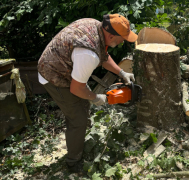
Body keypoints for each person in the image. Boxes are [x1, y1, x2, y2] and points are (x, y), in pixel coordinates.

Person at [37, 14, 138, 174]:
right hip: (54, 76)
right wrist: (96, 97)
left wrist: (121, 72)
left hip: (62, 63)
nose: (123, 42)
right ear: (111, 35)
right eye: (122, 38)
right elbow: (76, 89)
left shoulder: (96, 27)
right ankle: (73, 163)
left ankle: (81, 139)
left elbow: (103, 56)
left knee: (83, 105)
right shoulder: (88, 55)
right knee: (77, 119)